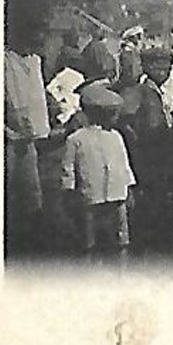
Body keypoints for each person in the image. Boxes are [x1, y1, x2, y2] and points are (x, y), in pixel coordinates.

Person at [117, 46, 173, 255]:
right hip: (147, 153)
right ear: (146, 67)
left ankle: (160, 240)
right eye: (156, 66)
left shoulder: (164, 92)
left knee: (162, 197)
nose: (161, 71)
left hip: (163, 153)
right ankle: (146, 243)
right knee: (148, 197)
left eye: (166, 67)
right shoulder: (138, 91)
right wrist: (135, 141)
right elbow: (125, 118)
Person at [66, 84, 137, 268]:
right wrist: (69, 192)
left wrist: (129, 188)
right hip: (91, 195)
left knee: (120, 237)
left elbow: (124, 164)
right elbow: (68, 169)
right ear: (97, 113)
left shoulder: (116, 137)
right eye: (112, 114)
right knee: (89, 238)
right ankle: (89, 272)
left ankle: (120, 273)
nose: (116, 118)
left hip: (116, 193)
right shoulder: (76, 139)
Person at [3, 18, 49, 258]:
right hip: (10, 134)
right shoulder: (5, 60)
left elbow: (36, 97)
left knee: (31, 189)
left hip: (29, 136)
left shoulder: (34, 61)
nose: (37, 42)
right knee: (8, 187)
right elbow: (9, 99)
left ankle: (30, 239)